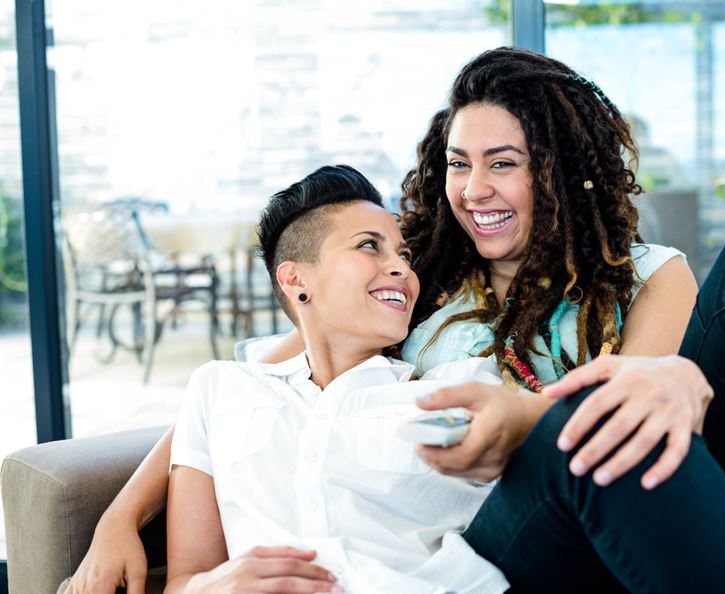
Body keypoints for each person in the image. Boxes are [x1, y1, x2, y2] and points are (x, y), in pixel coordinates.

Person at [66, 47, 725, 593]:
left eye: (505, 165)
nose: (474, 191)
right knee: (584, 426)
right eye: (460, 164)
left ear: (562, 172)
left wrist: (674, 381)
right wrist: (119, 514)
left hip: (657, 486)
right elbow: (249, 385)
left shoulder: (651, 277)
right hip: (520, 528)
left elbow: (635, 408)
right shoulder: (414, 280)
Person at [164, 165, 510, 593]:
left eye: (404, 256)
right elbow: (183, 579)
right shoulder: (222, 389)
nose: (402, 269)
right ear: (295, 279)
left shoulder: (455, 391)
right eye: (370, 246)